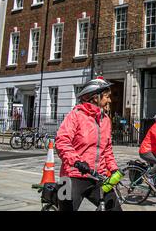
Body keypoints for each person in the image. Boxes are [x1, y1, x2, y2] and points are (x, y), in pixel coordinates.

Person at [55, 77, 122, 211]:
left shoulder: (106, 120)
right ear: (95, 97)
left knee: (114, 208)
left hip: (98, 176)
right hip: (73, 175)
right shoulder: (76, 115)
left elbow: (107, 149)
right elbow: (62, 141)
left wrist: (114, 169)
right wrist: (77, 162)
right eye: (107, 97)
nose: (109, 100)